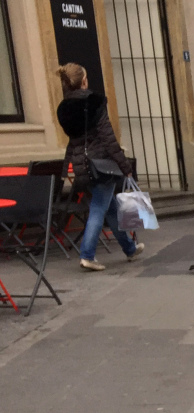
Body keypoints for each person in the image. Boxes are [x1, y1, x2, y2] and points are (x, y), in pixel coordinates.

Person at [55, 62, 143, 271]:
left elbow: (73, 141)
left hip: (81, 168)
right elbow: (108, 139)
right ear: (83, 81)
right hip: (101, 166)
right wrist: (124, 165)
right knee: (98, 208)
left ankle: (129, 248)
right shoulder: (94, 103)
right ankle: (87, 255)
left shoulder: (64, 108)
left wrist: (66, 166)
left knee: (110, 207)